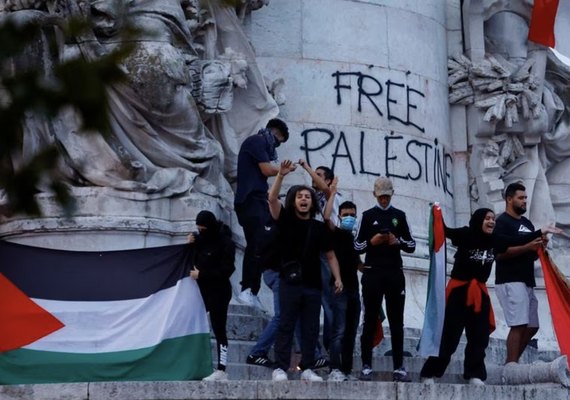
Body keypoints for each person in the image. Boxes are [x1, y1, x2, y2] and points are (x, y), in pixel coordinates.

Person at [268, 160, 343, 382]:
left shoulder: (319, 227)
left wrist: (337, 277)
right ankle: (280, 367)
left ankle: (307, 367)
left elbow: (330, 254)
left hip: (312, 284)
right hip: (289, 282)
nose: (304, 199)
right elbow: (272, 199)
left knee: (311, 328)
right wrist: (280, 176)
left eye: (307, 197)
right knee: (286, 324)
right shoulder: (285, 219)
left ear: (312, 203)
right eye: (300, 196)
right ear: (294, 201)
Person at [419, 208, 502, 385]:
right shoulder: (466, 234)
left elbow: (516, 240)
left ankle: (475, 374)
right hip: (459, 291)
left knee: (479, 337)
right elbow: (446, 231)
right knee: (449, 336)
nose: (491, 222)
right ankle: (430, 373)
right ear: (479, 220)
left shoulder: (495, 240)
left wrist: (539, 233)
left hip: (479, 293)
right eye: (487, 218)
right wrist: (437, 214)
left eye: (493, 219)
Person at [354, 176, 416, 382]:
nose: (383, 201)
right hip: (372, 272)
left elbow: (412, 245)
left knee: (397, 320)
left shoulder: (400, 215)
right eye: (380, 197)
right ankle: (366, 365)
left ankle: (399, 366)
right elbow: (356, 245)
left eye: (387, 197)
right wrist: (373, 241)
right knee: (370, 319)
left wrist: (396, 241)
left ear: (392, 195)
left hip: (394, 273)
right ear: (374, 194)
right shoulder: (367, 215)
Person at [494, 182, 562, 364]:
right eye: (521, 198)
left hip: (527, 280)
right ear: (509, 199)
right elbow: (500, 254)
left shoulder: (526, 223)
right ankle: (511, 365)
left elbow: (530, 255)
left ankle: (511, 361)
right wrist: (527, 247)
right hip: (510, 280)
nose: (525, 201)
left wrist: (539, 247)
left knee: (533, 326)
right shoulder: (501, 223)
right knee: (519, 324)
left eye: (526, 198)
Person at [234, 118, 294, 310]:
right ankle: (247, 290)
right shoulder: (258, 141)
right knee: (257, 244)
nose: (276, 145)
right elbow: (267, 169)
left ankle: (252, 290)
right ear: (275, 133)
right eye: (279, 140)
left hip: (256, 200)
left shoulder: (260, 143)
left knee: (260, 244)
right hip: (251, 200)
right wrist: (284, 171)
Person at [187, 210, 236, 381]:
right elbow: (193, 259)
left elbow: (227, 270)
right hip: (200, 291)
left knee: (219, 327)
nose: (201, 231)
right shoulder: (200, 240)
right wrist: (190, 244)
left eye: (203, 229)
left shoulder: (225, 243)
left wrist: (202, 275)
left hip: (219, 291)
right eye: (198, 229)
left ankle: (222, 369)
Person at [323, 179, 363, 382]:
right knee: (338, 331)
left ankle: (346, 371)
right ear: (340, 216)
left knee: (350, 332)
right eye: (345, 215)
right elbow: (325, 216)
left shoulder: (355, 239)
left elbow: (358, 263)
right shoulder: (336, 233)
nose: (349, 218)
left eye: (352, 216)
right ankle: (334, 369)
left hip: (355, 290)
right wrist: (331, 195)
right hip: (339, 288)